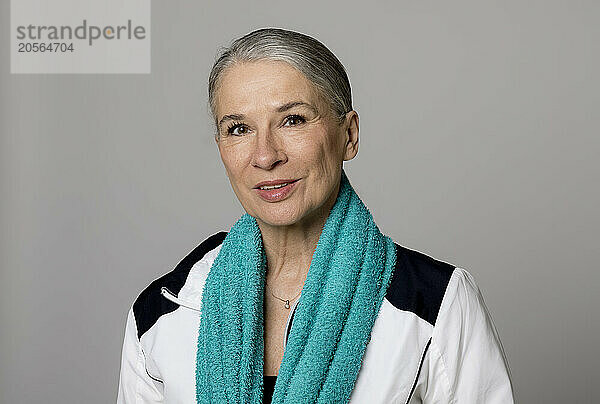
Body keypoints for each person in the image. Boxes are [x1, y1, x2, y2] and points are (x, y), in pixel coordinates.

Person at [117, 27, 515, 403]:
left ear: (349, 135)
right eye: (239, 128)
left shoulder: (433, 303)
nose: (265, 156)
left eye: (293, 120)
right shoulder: (162, 313)